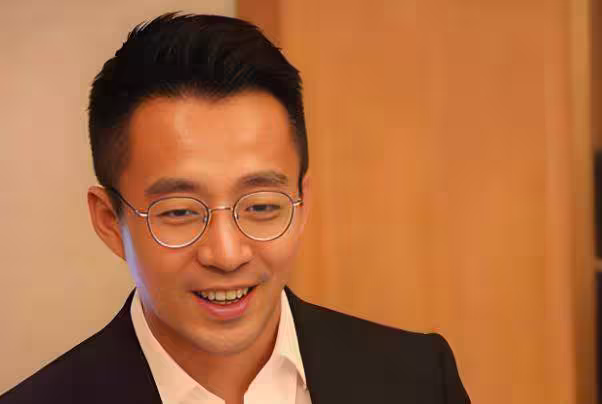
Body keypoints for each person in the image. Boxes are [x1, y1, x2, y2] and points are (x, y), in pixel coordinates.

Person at [0, 12, 470, 404]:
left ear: (302, 204)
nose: (226, 255)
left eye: (261, 206)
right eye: (180, 212)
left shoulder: (419, 381)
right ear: (109, 221)